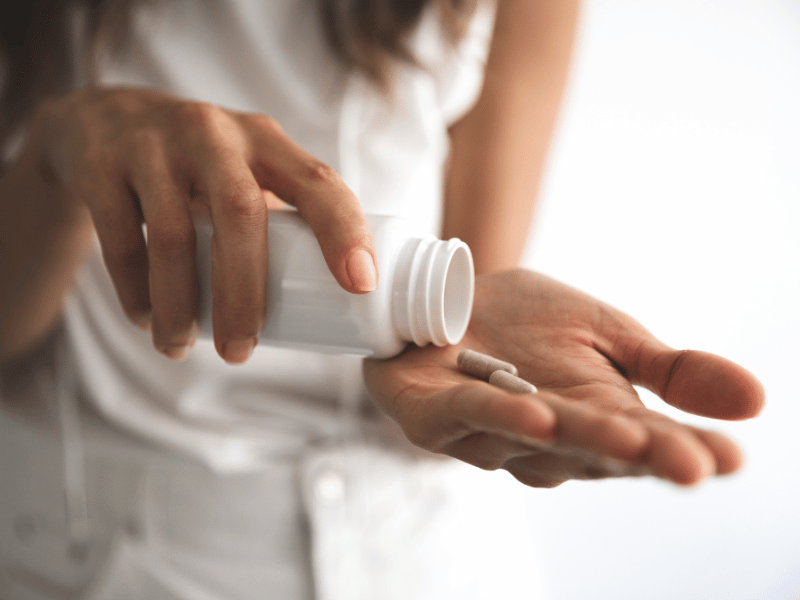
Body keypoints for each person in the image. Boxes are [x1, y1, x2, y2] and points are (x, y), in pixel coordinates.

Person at [0, 0, 764, 598]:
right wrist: (53, 161)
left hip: (431, 555)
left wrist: (468, 365)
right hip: (104, 553)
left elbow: (456, 315)